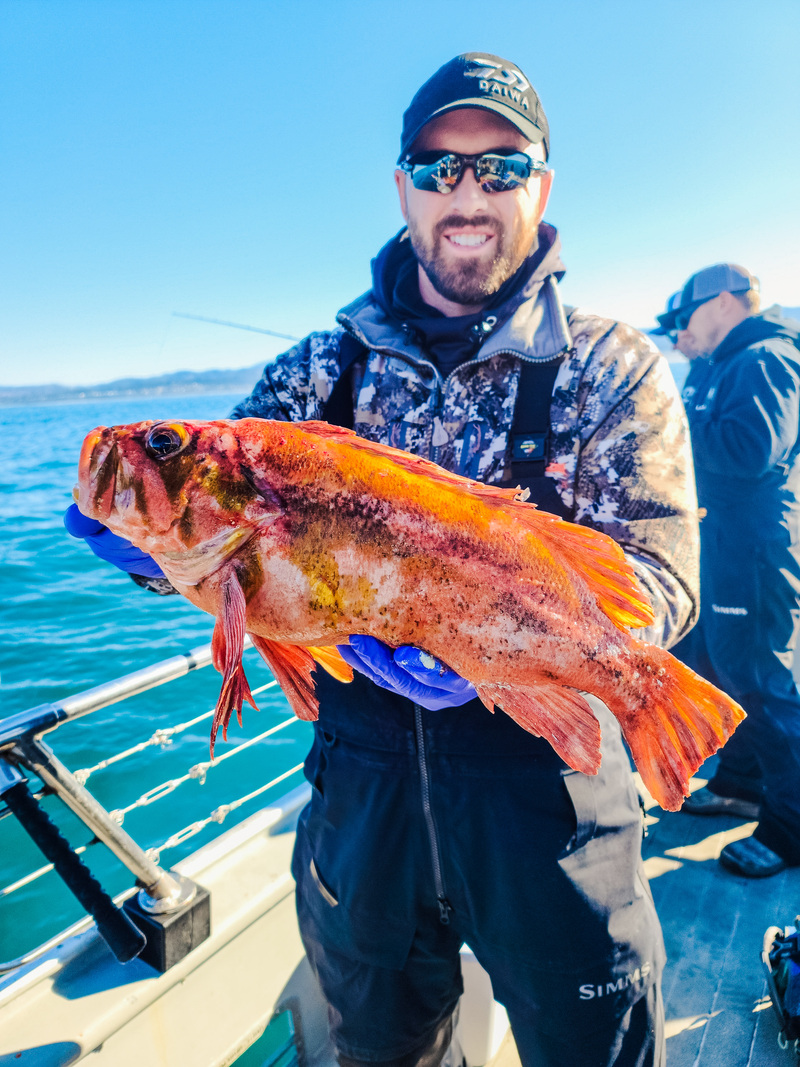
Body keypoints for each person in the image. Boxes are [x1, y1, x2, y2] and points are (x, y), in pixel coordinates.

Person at [67, 53, 702, 1067]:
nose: (467, 192)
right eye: (437, 165)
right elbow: (213, 550)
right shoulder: (317, 371)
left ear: (540, 186)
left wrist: (516, 650)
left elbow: (658, 580)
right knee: (377, 1047)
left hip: (552, 797)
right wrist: (138, 542)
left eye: (501, 166)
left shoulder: (611, 365)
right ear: (401, 183)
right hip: (360, 804)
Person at [653, 264, 800, 878]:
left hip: (755, 554)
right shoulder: (725, 364)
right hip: (721, 550)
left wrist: (660, 419)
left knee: (766, 685)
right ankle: (739, 783)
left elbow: (750, 452)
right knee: (720, 670)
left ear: (720, 303)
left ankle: (791, 830)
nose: (680, 334)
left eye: (684, 319)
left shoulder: (766, 358)